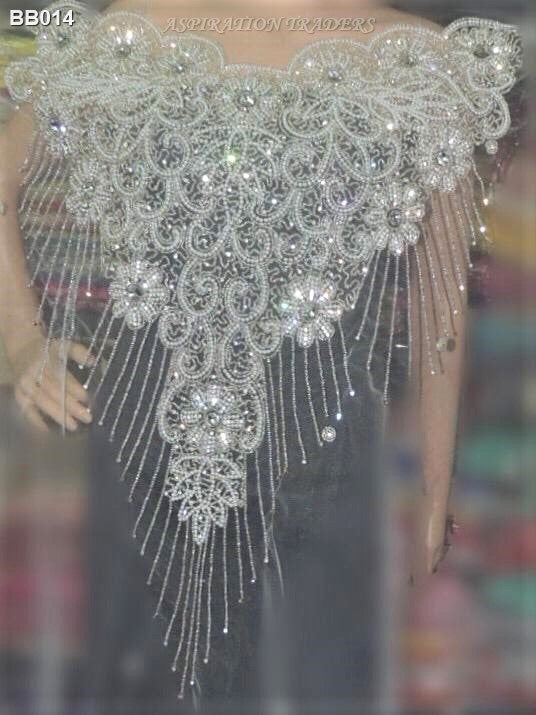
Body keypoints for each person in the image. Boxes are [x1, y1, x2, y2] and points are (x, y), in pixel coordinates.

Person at [0, 1, 520, 711]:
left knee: (312, 676)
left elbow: (442, 295)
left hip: (324, 446)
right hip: (145, 440)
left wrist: (436, 484)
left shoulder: (418, 64)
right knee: (139, 677)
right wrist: (22, 341)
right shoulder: (138, 30)